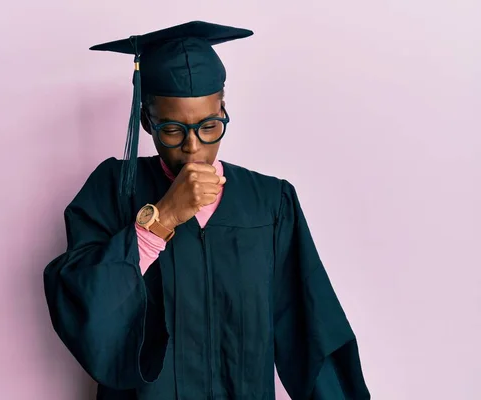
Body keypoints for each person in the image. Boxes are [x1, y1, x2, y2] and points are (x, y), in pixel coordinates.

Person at [43, 21, 370, 400]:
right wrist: (160, 220)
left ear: (224, 109)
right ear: (147, 122)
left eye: (209, 126)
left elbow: (311, 331)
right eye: (172, 129)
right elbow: (80, 303)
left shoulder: (270, 202)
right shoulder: (115, 190)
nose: (193, 147)